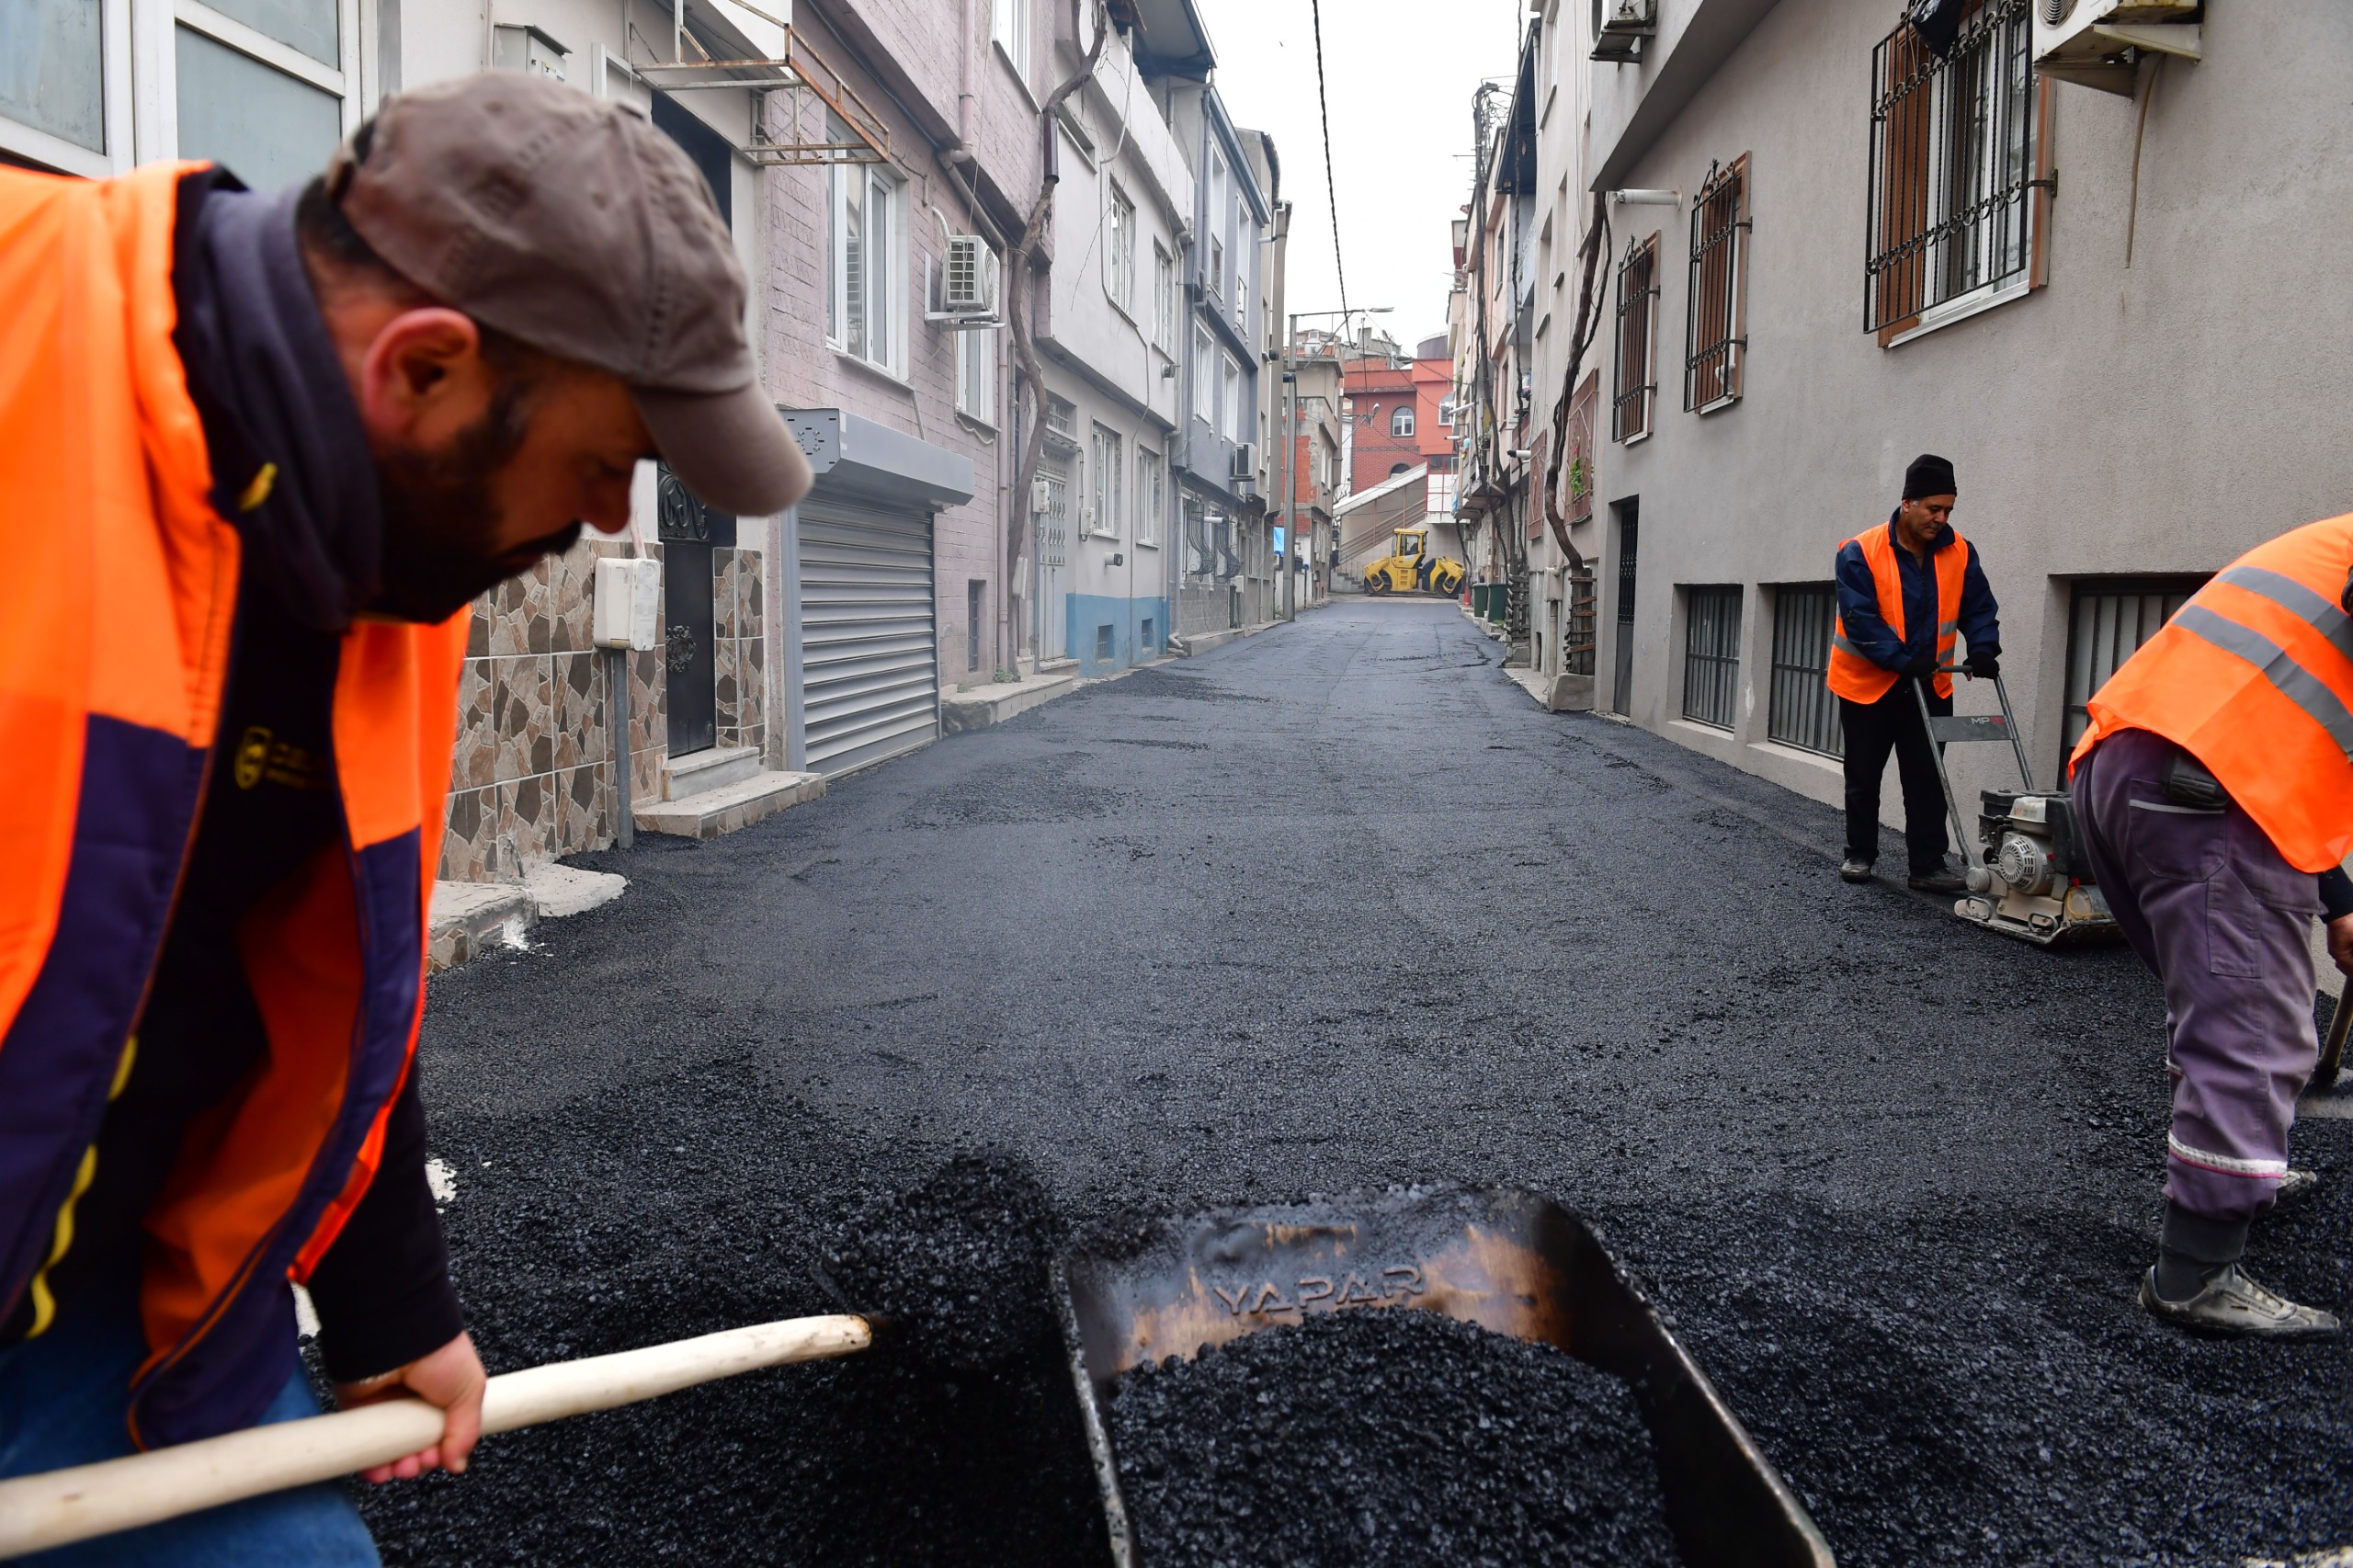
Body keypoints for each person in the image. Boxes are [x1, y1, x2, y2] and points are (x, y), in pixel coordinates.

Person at [0, 71, 810, 1560]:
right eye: (601, 465)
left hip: (116, 1305)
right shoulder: (25, 368)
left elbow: (324, 966)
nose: (613, 523)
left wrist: (394, 1306)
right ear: (423, 369)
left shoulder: (395, 544)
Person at [2070, 514, 2353, 1339]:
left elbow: (2292, 739)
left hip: (2132, 769)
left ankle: (2237, 1167)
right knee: (2252, 1032)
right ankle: (2194, 1274)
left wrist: (2337, 900)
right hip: (2206, 793)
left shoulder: (2332, 540)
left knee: (2224, 1013)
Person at [1825, 453, 2003, 892]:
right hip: (1869, 686)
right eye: (1934, 509)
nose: (1941, 519)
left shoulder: (1959, 550)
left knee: (1927, 778)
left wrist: (1982, 649)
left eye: (1948, 511)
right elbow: (1861, 619)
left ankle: (1927, 865)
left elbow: (1978, 606)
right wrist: (1903, 660)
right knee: (1864, 775)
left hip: (1932, 684)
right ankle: (1860, 855)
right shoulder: (1859, 551)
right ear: (1908, 503)